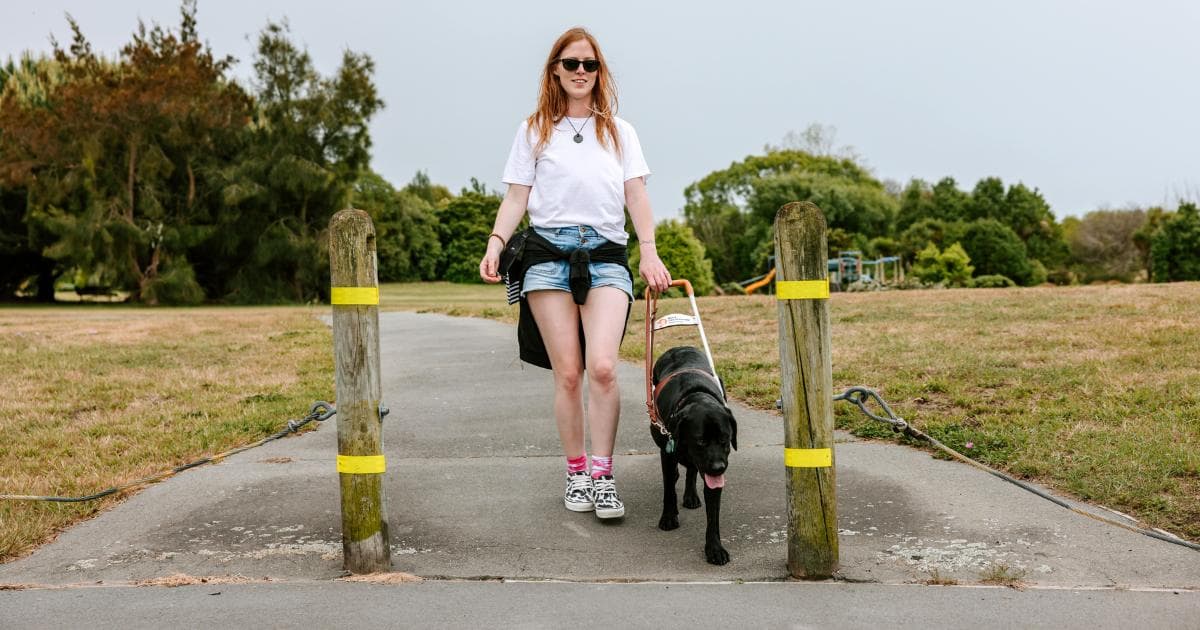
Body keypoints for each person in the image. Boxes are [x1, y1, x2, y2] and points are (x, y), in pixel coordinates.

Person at [479, 27, 670, 519]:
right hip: (547, 255)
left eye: (590, 64)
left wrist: (649, 252)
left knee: (603, 368)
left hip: (606, 253)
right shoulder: (534, 129)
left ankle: (604, 477)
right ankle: (577, 472)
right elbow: (517, 195)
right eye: (571, 64)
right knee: (568, 374)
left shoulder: (620, 131)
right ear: (555, 71)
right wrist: (496, 243)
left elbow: (636, 195)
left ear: (599, 71)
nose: (580, 72)